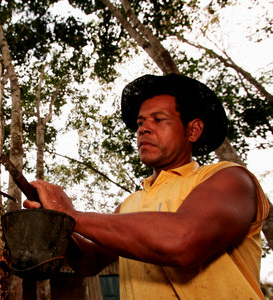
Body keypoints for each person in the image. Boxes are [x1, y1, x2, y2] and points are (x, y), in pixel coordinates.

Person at [24, 74, 269, 299]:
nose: (143, 128)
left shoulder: (231, 179)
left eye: (159, 119)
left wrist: (70, 216)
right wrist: (55, 223)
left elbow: (181, 240)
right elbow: (90, 261)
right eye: (140, 122)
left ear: (193, 130)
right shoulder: (130, 204)